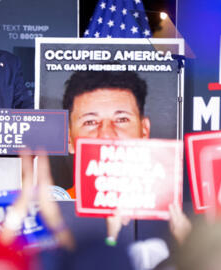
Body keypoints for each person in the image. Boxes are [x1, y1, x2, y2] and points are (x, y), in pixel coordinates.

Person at [62, 70, 190, 248]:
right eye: (90, 122)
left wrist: (191, 250)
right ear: (69, 139)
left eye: (121, 119)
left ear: (144, 130)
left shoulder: (176, 217)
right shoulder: (55, 214)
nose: (106, 134)